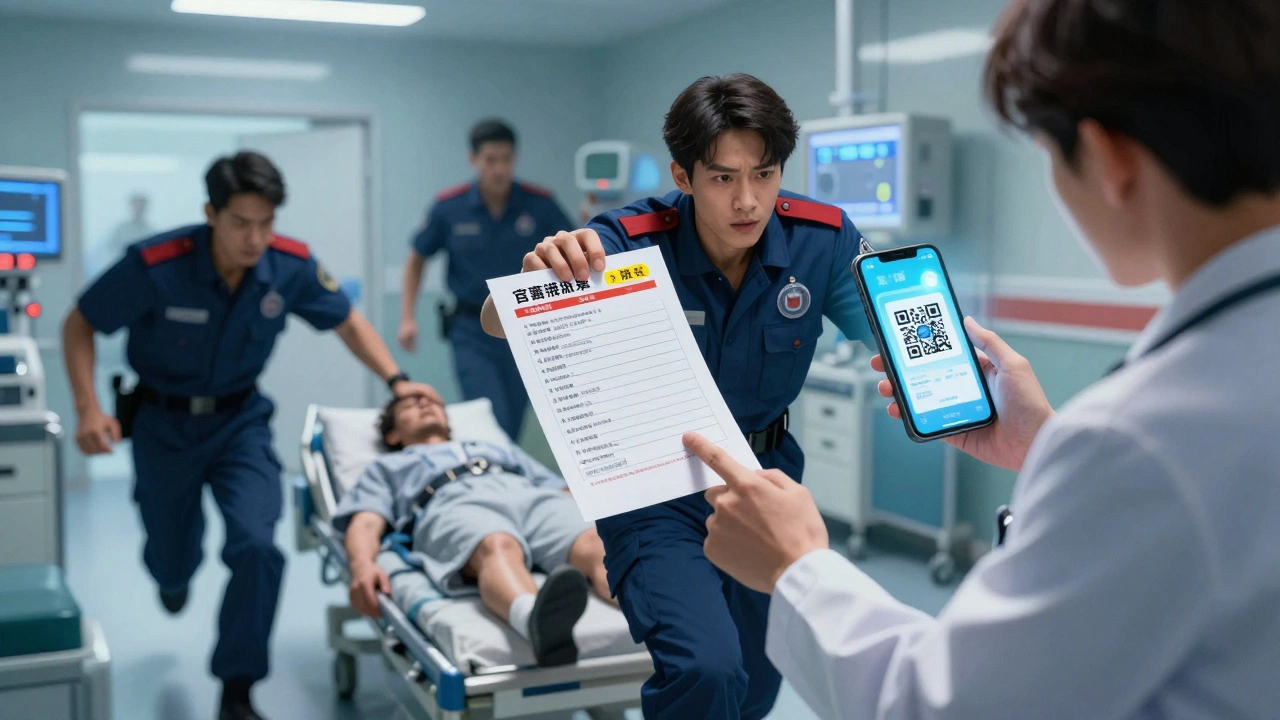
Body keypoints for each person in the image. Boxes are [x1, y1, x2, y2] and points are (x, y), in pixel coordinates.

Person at [681, 1, 1280, 718]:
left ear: (1112, 160)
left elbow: (943, 706)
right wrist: (1049, 448)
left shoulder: (1139, 439)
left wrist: (798, 567)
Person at [481, 74, 873, 720]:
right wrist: (534, 277)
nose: (748, 201)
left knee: (754, 683)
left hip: (764, 482)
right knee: (704, 668)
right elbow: (498, 319)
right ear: (683, 176)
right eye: (722, 178)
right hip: (655, 488)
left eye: (765, 174)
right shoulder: (629, 239)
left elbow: (886, 334)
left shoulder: (820, 239)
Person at [62, 151, 438, 720]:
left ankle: (237, 688)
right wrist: (88, 409)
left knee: (259, 547)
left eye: (266, 223)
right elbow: (79, 323)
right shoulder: (156, 264)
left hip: (240, 424)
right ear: (210, 213)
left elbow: (346, 319)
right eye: (241, 223)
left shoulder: (289, 266)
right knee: (170, 557)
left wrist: (397, 381)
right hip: (163, 426)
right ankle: (173, 573)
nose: (255, 238)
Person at [334, 390, 614, 666]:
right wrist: (361, 567)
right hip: (451, 502)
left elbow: (561, 489)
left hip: (529, 495)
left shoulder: (495, 449)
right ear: (393, 435)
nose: (424, 402)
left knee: (595, 542)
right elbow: (367, 521)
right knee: (496, 544)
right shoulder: (386, 467)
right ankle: (536, 622)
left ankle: (650, 613)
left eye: (433, 401)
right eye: (409, 404)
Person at [398, 118, 575, 440]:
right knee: (488, 414)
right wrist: (407, 317)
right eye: (490, 160)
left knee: (513, 418)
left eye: (506, 159)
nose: (498, 169)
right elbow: (416, 259)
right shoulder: (449, 208)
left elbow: (569, 247)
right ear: (474, 160)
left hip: (526, 326)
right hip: (471, 329)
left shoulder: (539, 205)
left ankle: (501, 482)